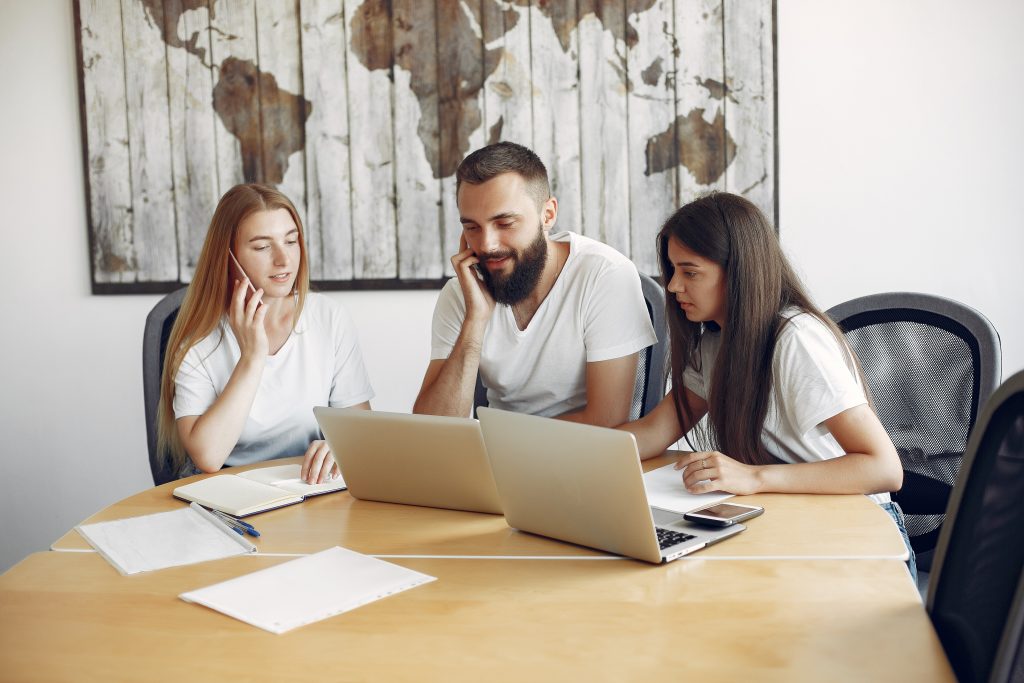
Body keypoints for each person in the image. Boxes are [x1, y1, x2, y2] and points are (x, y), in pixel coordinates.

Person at [620, 192, 915, 577]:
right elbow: (655, 429)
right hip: (790, 519)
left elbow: (883, 468)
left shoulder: (795, 340)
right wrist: (577, 461)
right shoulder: (714, 341)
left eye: (689, 272)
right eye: (673, 270)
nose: (673, 286)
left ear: (738, 272)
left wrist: (753, 477)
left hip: (860, 529)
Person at [413, 142, 657, 425]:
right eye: (472, 227)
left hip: (583, 458)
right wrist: (475, 320)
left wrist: (502, 440)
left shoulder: (605, 275)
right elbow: (433, 430)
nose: (487, 244)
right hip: (497, 457)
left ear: (548, 215)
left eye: (505, 223)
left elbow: (607, 420)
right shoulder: (462, 293)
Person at [157, 183, 373, 484]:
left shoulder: (328, 317)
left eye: (291, 241)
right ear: (228, 256)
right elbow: (208, 456)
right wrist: (252, 356)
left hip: (305, 487)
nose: (283, 261)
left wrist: (339, 447)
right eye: (262, 247)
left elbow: (362, 432)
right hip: (225, 492)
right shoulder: (198, 336)